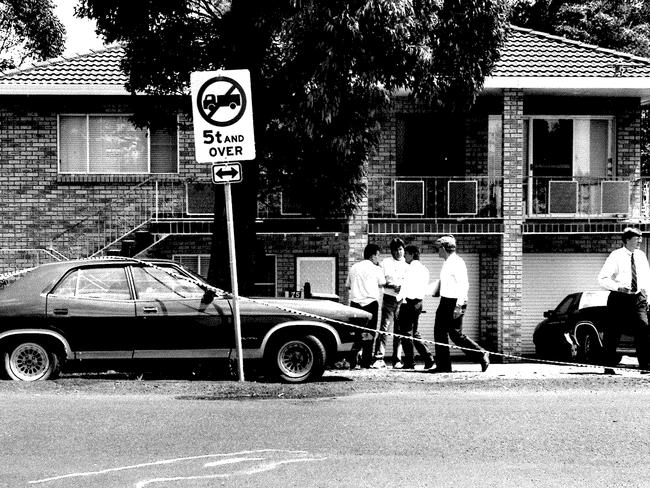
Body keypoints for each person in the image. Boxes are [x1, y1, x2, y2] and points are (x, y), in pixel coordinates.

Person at [430, 235, 489, 373]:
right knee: (439, 333)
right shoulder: (447, 262)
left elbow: (464, 285)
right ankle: (443, 366)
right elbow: (446, 282)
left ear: (444, 248)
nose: (437, 251)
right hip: (445, 300)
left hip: (455, 302)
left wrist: (459, 305)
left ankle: (481, 354)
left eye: (438, 248)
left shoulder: (457, 262)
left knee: (455, 334)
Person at [597, 227, 650, 373]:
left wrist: (648, 298)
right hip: (619, 298)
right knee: (613, 332)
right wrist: (618, 287)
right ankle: (608, 366)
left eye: (640, 237)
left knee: (644, 329)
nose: (640, 240)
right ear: (627, 240)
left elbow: (646, 278)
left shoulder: (641, 255)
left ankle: (645, 366)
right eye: (636, 238)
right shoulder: (616, 255)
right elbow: (602, 279)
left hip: (638, 298)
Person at [346, 243, 386, 368]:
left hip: (355, 304)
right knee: (369, 333)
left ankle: (352, 361)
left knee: (356, 333)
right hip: (371, 304)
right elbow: (382, 283)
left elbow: (348, 285)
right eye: (378, 256)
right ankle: (366, 362)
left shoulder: (354, 267)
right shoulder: (376, 269)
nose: (378, 259)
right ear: (373, 255)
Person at [396, 245, 435, 370]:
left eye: (406, 254)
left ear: (412, 254)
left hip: (408, 303)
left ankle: (409, 361)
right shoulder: (424, 269)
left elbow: (404, 288)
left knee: (406, 333)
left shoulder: (409, 269)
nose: (404, 257)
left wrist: (398, 304)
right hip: (419, 303)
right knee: (415, 333)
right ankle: (428, 358)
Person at [372, 237, 408, 369]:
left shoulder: (407, 265)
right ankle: (378, 358)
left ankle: (397, 360)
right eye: (396, 250)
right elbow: (380, 281)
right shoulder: (385, 263)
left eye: (400, 249)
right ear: (391, 251)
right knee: (384, 329)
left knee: (399, 331)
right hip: (389, 298)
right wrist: (392, 286)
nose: (399, 252)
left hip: (402, 300)